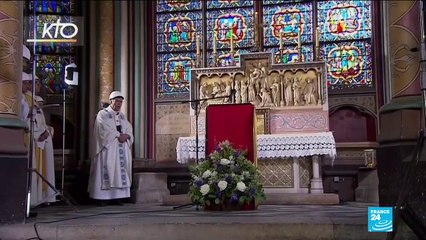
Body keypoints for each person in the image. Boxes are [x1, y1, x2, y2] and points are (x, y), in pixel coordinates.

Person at [88, 91, 134, 206]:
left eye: (120, 102)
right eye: (117, 101)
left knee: (120, 171)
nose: (119, 104)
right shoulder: (102, 114)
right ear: (111, 101)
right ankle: (103, 198)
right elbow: (103, 129)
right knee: (107, 169)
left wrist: (127, 136)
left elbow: (128, 127)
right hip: (108, 149)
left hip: (121, 148)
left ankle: (118, 197)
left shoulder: (122, 115)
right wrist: (118, 135)